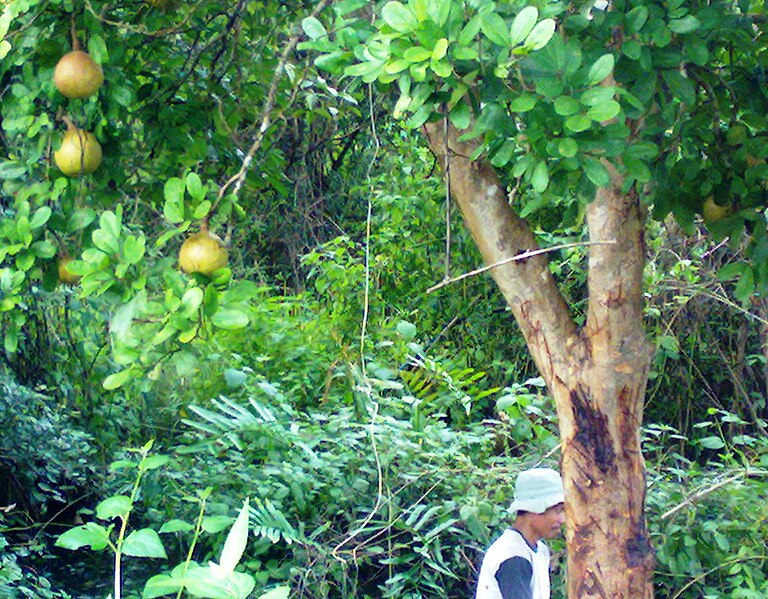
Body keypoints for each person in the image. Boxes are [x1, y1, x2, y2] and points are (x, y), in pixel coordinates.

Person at [475, 467, 565, 599]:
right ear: (534, 510)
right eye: (558, 511)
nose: (563, 519)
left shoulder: (540, 550)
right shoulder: (513, 556)